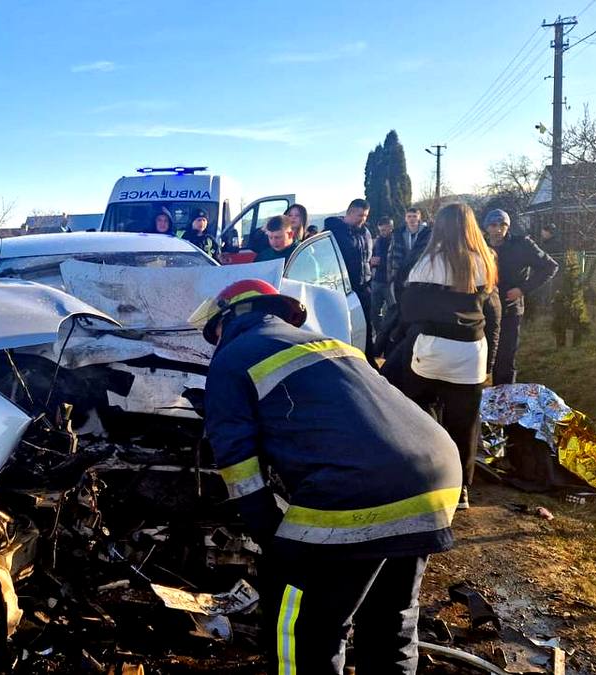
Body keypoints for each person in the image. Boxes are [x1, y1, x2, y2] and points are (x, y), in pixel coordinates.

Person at [192, 279, 461, 674]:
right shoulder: (329, 344)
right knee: (392, 620)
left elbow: (237, 462)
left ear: (230, 317)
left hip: (357, 488)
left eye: (214, 332)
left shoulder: (232, 357)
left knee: (304, 624)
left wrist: (273, 538)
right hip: (437, 471)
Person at [385, 203, 501, 511]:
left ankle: (421, 476)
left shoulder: (428, 262)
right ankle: (461, 489)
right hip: (472, 352)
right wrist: (491, 362)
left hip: (431, 350)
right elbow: (493, 312)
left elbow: (408, 309)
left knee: (416, 411)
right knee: (464, 422)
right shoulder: (486, 261)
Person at [484, 209, 558, 385]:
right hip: (483, 309)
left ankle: (505, 402)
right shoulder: (479, 245)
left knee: (505, 359)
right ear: (486, 227)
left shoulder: (522, 244)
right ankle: (480, 401)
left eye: (503, 225)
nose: (499, 229)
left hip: (509, 308)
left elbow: (550, 266)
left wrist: (522, 289)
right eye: (494, 225)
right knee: (481, 357)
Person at [325, 199, 373, 355]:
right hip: (343, 290)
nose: (363, 219)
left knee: (366, 327)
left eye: (366, 216)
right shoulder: (334, 233)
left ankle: (368, 359)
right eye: (360, 215)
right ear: (350, 212)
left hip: (364, 288)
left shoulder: (365, 232)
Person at [370, 216, 395, 339]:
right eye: (381, 230)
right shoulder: (378, 242)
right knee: (374, 312)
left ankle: (391, 336)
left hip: (391, 282)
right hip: (377, 280)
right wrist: (372, 261)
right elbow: (372, 257)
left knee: (393, 311)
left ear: (391, 228)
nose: (383, 233)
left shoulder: (396, 242)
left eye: (385, 230)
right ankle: (381, 336)